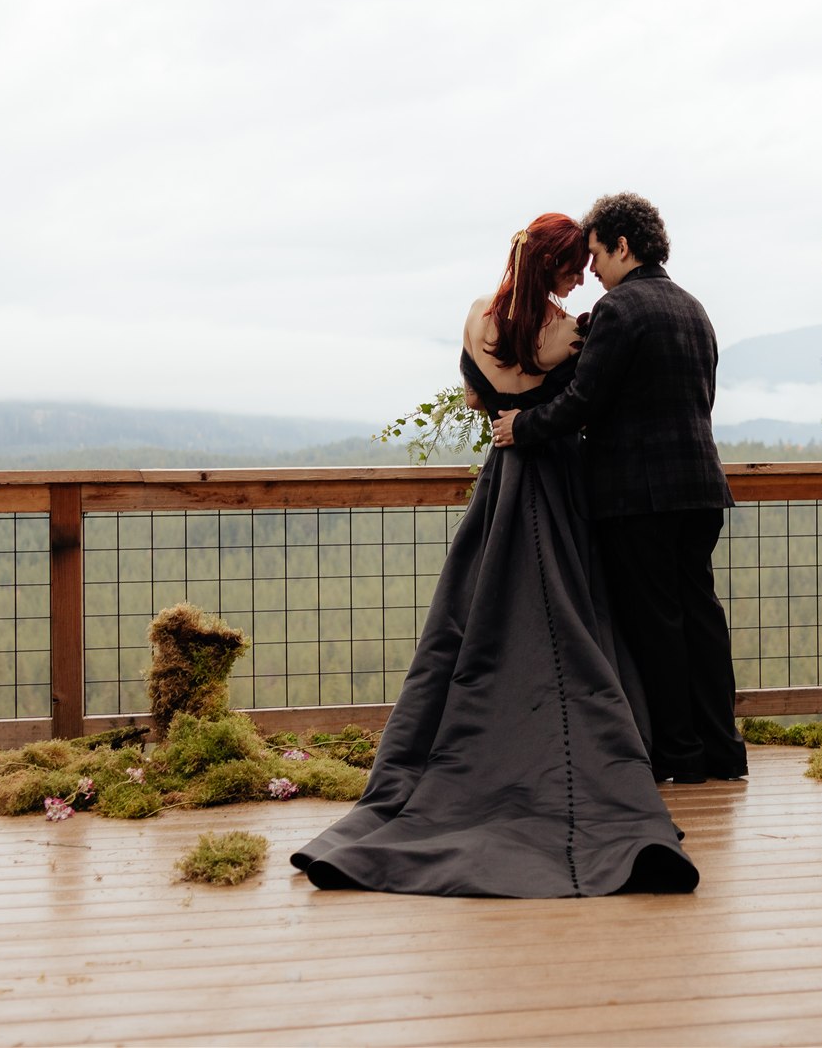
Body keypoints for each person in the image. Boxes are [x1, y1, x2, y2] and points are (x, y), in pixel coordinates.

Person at [290, 213, 698, 897]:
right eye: (571, 267)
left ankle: (472, 735)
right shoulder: (568, 331)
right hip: (559, 476)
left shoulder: (480, 317)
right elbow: (587, 403)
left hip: (504, 477)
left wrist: (507, 409)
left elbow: (479, 396)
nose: (580, 278)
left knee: (479, 609)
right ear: (551, 265)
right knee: (573, 609)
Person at [492, 192, 745, 785]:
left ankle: (678, 754)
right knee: (701, 617)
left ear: (623, 247)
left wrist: (522, 426)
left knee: (656, 624)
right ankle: (723, 749)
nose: (594, 270)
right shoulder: (694, 309)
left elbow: (584, 401)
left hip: (638, 496)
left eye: (598, 255)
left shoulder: (619, 309)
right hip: (701, 488)